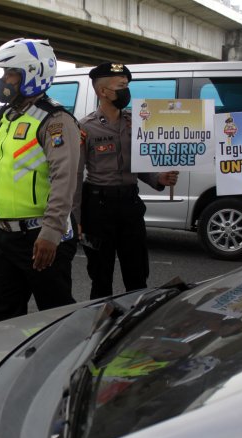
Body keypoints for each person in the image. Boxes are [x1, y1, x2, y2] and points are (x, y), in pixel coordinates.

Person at [0, 38, 79, 323]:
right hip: (5, 237)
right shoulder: (6, 116)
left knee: (56, 317)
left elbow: (65, 178)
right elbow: (6, 169)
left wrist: (51, 231)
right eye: (3, 74)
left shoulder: (56, 120)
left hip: (40, 236)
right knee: (2, 319)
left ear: (33, 74)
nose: (4, 81)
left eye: (10, 73)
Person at [75, 62, 178, 299]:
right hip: (98, 208)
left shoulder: (137, 123)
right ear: (103, 92)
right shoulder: (86, 127)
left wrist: (158, 178)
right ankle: (101, 326)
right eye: (121, 86)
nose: (126, 90)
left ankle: (135, 325)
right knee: (100, 276)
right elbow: (77, 173)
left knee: (137, 273)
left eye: (127, 85)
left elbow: (140, 166)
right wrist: (76, 218)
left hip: (130, 206)